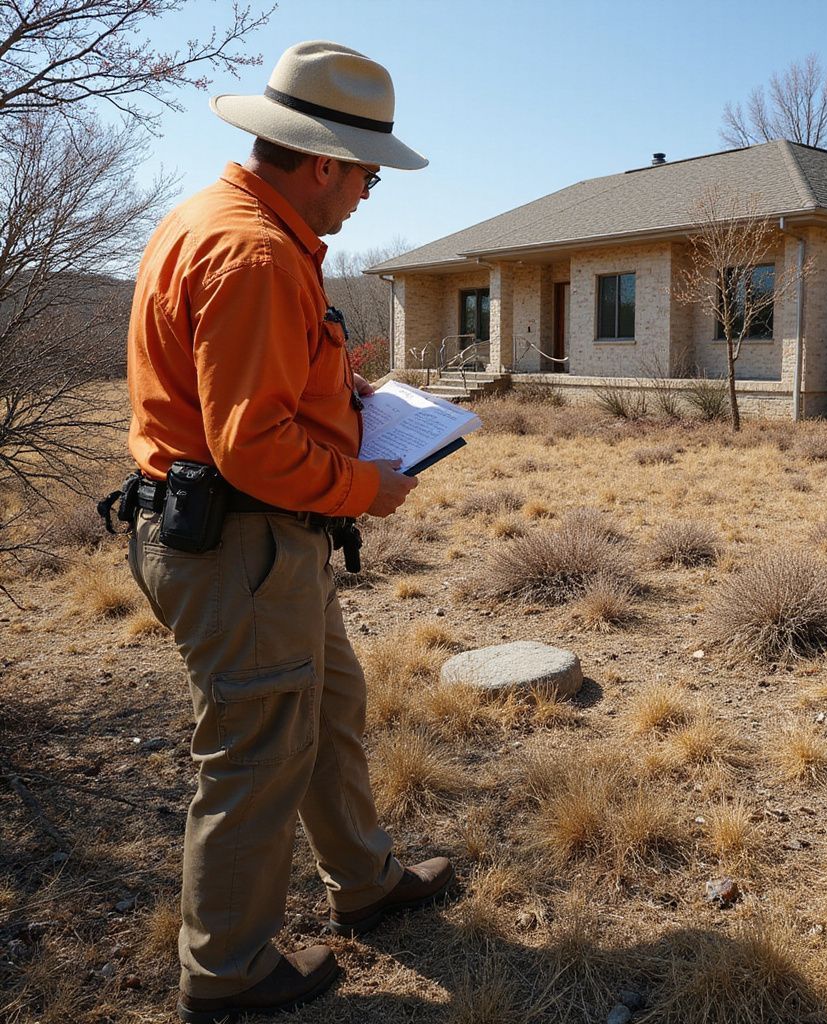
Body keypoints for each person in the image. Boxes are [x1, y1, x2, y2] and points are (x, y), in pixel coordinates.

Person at [122, 41, 452, 1024]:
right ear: (320, 162)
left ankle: (364, 877)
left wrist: (338, 393)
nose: (367, 194)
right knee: (259, 749)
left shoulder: (221, 222)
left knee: (329, 707)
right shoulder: (258, 252)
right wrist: (362, 486)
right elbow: (248, 443)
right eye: (365, 173)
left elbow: (253, 388)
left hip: (261, 548)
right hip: (242, 547)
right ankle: (226, 969)